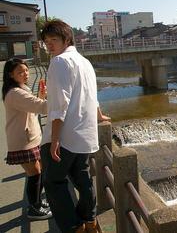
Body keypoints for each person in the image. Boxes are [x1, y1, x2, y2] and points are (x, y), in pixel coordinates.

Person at [40, 20, 110, 233]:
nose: (49, 45)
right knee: (83, 178)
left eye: (54, 40)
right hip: (85, 136)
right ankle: (90, 221)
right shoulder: (85, 62)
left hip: (66, 136)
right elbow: (92, 95)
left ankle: (74, 226)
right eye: (46, 42)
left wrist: (54, 140)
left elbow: (59, 105)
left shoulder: (59, 61)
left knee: (53, 182)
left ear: (66, 39)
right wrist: (99, 116)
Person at [2, 58, 52, 220]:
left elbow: (33, 109)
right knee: (35, 173)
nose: (25, 74)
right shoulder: (16, 93)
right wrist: (60, 100)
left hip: (29, 137)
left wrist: (40, 96)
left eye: (26, 70)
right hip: (23, 140)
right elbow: (41, 107)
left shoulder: (21, 89)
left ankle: (37, 202)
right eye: (20, 72)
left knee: (38, 171)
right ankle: (34, 208)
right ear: (11, 75)